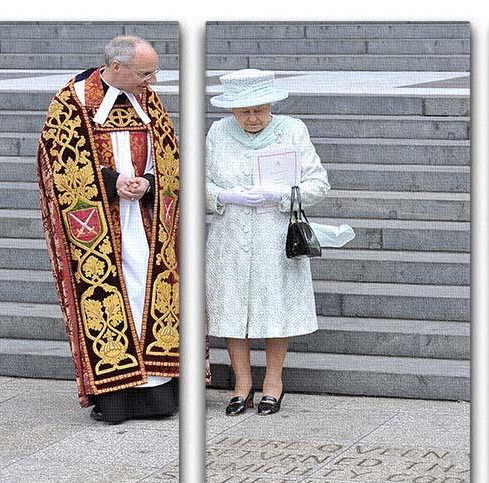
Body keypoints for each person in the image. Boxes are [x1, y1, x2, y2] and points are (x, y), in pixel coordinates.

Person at [38, 35, 200, 424]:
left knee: (150, 292)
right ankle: (114, 395)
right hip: (97, 223)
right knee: (112, 297)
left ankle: (158, 386)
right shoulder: (73, 100)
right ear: (116, 68)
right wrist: (110, 183)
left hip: (145, 220)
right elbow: (56, 161)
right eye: (146, 72)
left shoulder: (146, 98)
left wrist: (148, 181)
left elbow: (169, 153)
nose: (154, 80)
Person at [206, 69, 330, 415]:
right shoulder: (218, 132)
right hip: (229, 236)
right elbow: (198, 183)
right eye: (244, 111)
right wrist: (225, 195)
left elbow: (319, 184)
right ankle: (241, 383)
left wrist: (280, 195)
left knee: (275, 308)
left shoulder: (291, 129)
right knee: (233, 308)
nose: (253, 118)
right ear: (231, 110)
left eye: (260, 109)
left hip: (275, 236)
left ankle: (273, 381)